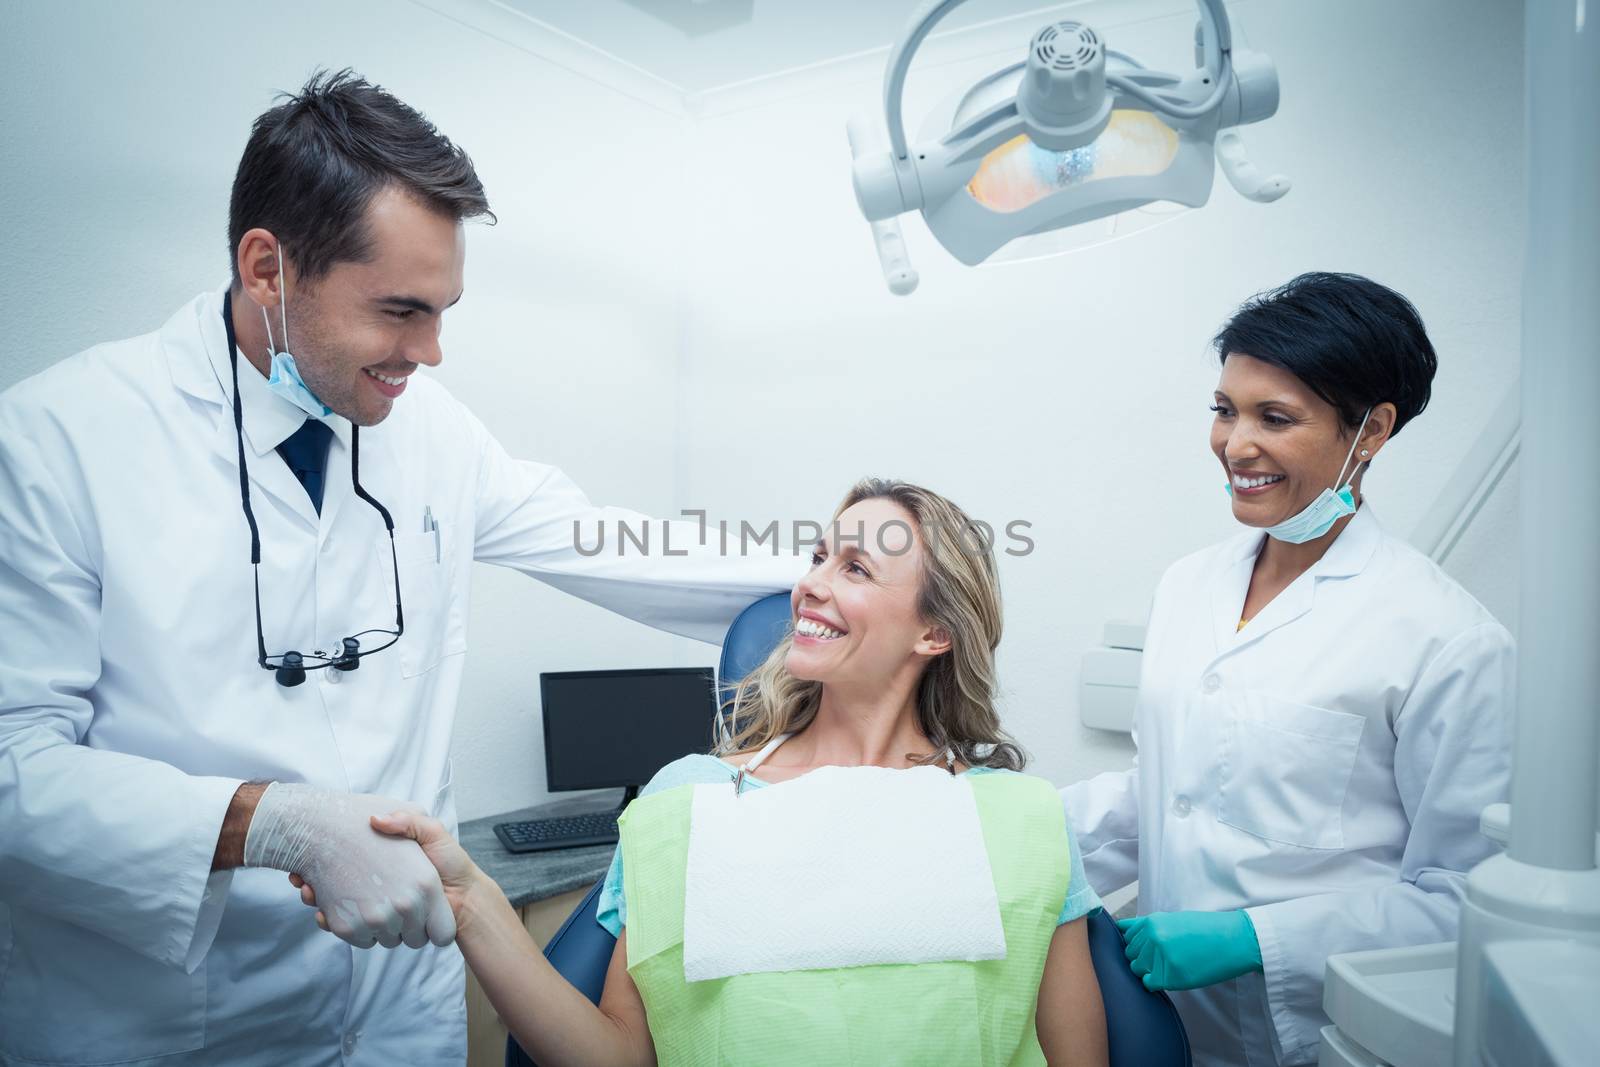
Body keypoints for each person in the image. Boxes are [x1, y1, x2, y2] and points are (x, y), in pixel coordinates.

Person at [0, 70, 799, 1066]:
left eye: (442, 310)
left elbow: (595, 536)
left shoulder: (425, 428)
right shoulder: (56, 442)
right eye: (399, 310)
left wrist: (837, 579)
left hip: (390, 1011)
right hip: (172, 1019)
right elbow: (12, 765)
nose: (428, 351)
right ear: (266, 268)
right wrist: (267, 823)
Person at [358, 479, 1110, 1067]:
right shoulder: (688, 800)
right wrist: (472, 903)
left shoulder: (1020, 819)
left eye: (854, 567)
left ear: (935, 631)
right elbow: (617, 1055)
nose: (810, 583)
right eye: (817, 557)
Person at [1062, 272, 1516, 1067]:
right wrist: (1009, 831)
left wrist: (1256, 938)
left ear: (1370, 430)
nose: (1236, 444)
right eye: (1225, 409)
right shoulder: (1189, 584)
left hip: (1315, 1036)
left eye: (1275, 417)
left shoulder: (1448, 640)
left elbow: (1472, 901)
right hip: (1162, 1024)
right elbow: (1168, 790)